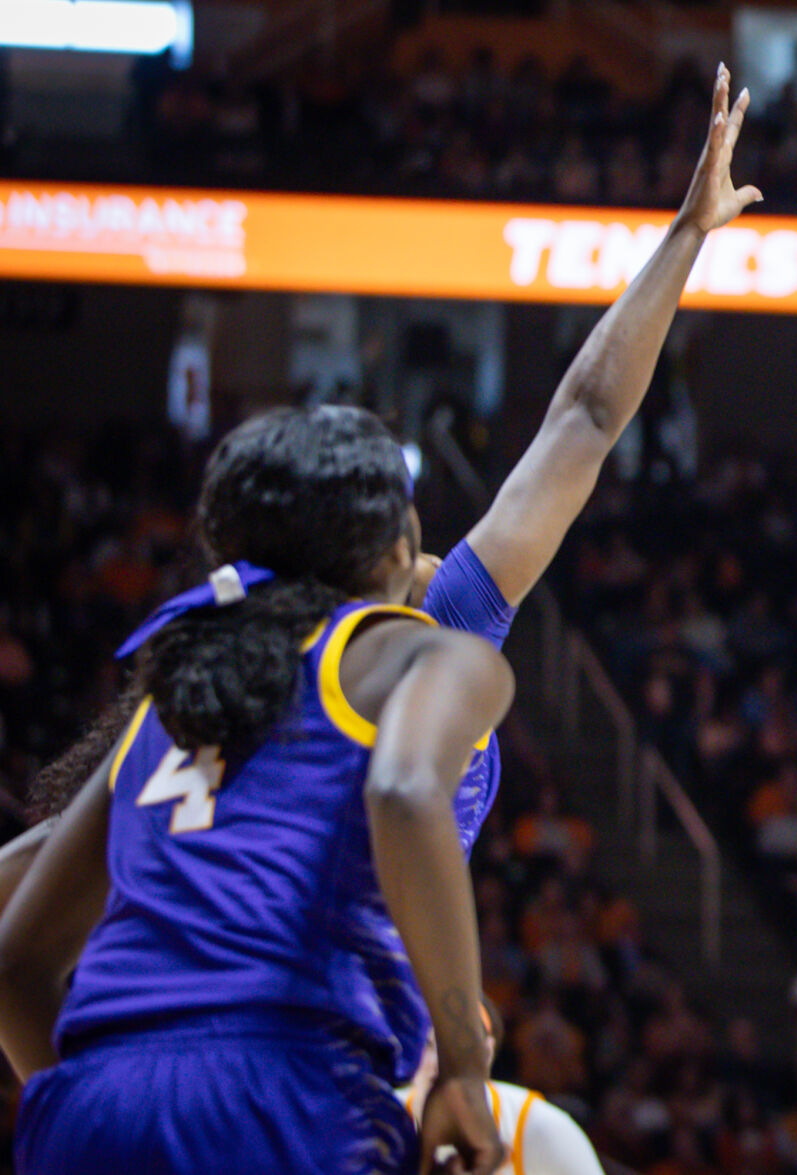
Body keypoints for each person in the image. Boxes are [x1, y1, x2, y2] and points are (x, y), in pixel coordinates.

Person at [0, 62, 764, 1050]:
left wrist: (76, 1087)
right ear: (394, 555)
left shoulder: (201, 685)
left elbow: (16, 917)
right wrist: (685, 237)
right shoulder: (435, 624)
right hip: (296, 1084)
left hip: (150, 1088)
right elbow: (582, 417)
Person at [0, 407, 515, 1173]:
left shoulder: (172, 704)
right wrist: (467, 1069)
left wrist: (110, 1102)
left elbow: (14, 966)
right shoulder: (420, 652)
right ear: (399, 547)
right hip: (286, 1088)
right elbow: (406, 794)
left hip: (89, 1105)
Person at [400, 999, 610, 1175]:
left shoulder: (539, 1126)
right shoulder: (380, 1118)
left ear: (487, 1053)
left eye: (458, 1048)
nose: (440, 1062)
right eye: (428, 1046)